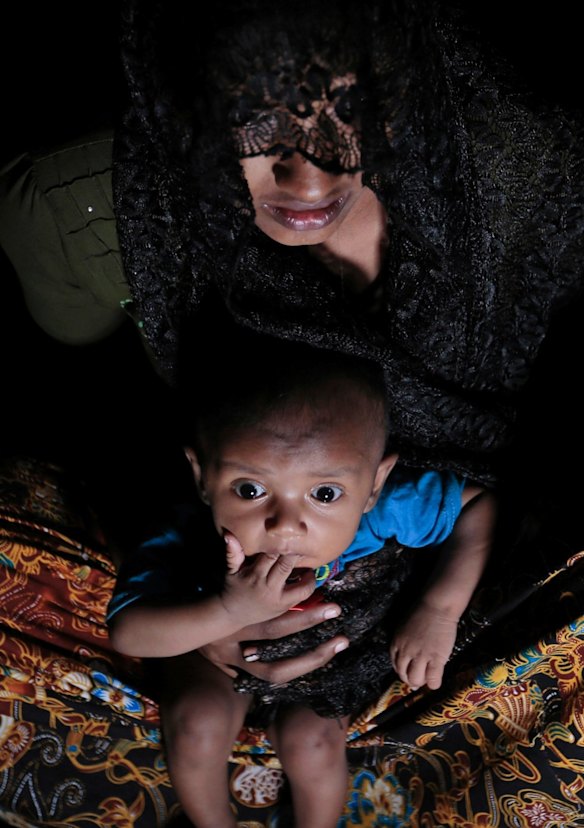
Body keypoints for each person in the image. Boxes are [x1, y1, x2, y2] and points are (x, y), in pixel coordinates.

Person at [1, 0, 583, 688]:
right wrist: (209, 618)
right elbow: (91, 410)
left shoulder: (525, 174)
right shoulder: (89, 215)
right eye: (257, 122)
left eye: (351, 112)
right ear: (190, 100)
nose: (308, 182)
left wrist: (439, 601)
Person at [107, 327, 493, 828]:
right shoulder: (185, 534)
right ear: (202, 476)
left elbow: (479, 505)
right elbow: (128, 631)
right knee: (196, 727)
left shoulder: (382, 513)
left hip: (330, 667)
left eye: (325, 495)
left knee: (312, 745)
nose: (285, 525)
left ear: (374, 484)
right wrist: (228, 611)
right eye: (249, 489)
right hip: (218, 662)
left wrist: (439, 611)